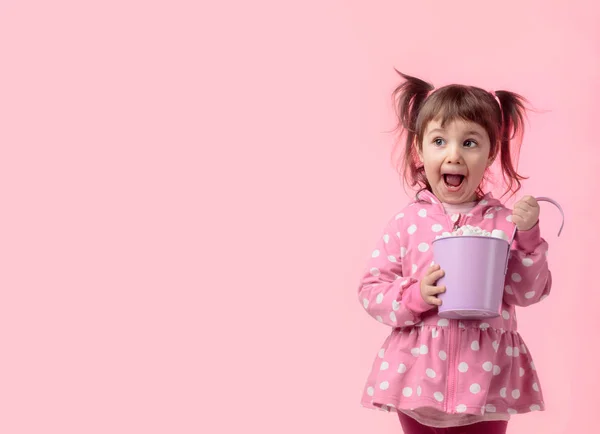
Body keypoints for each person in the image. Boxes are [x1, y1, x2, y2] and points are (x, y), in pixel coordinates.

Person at [357, 71, 551, 433]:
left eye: (470, 143)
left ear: (491, 152)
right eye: (440, 141)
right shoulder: (407, 222)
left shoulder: (505, 223)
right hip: (417, 382)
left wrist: (527, 237)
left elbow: (526, 292)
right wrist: (415, 295)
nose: (454, 155)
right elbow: (371, 290)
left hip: (487, 382)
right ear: (420, 149)